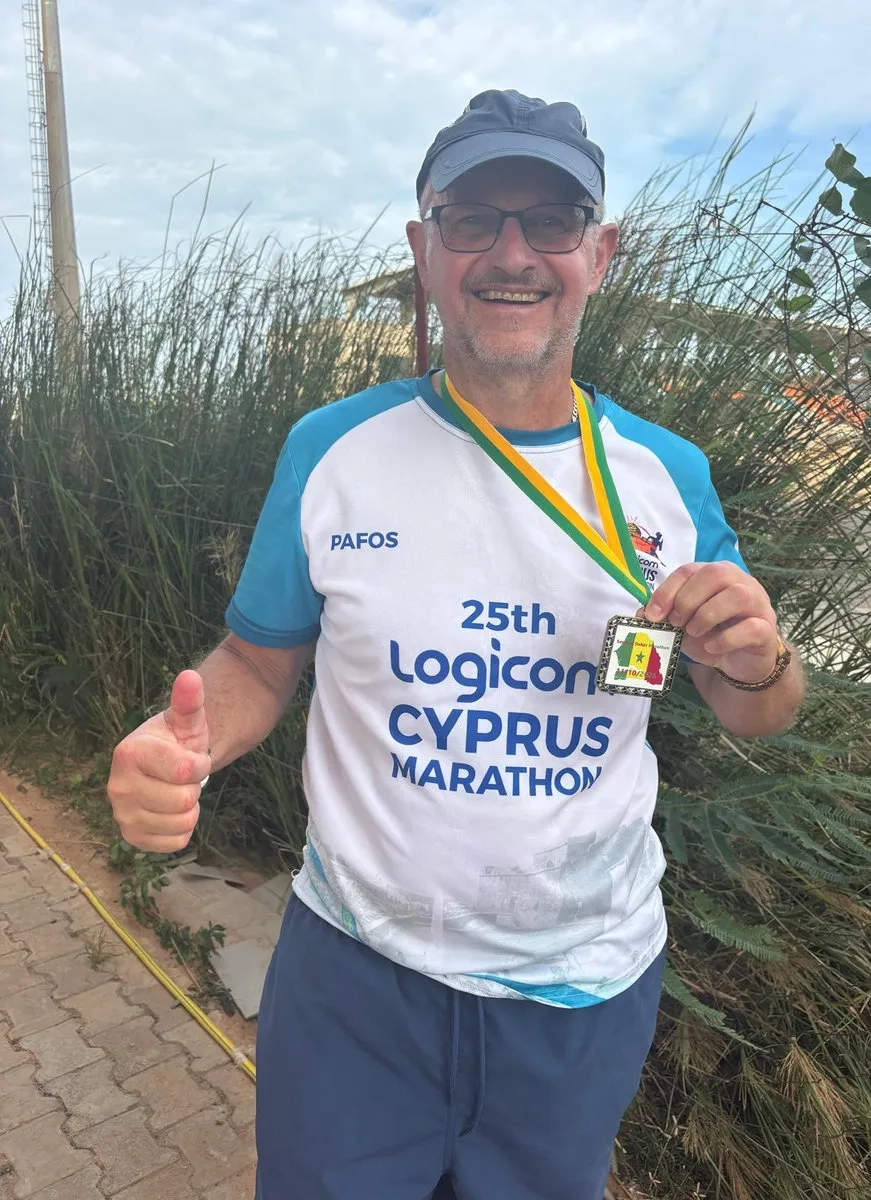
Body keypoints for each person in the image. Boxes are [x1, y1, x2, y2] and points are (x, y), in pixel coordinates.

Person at [106, 89, 805, 1200]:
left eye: (552, 220)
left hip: (582, 991)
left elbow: (754, 704)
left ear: (600, 254)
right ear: (424, 249)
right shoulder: (331, 450)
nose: (512, 253)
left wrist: (760, 659)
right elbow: (257, 664)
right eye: (472, 219)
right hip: (357, 980)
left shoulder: (670, 474)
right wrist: (183, 744)